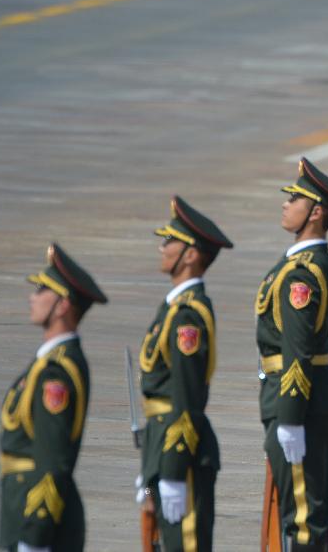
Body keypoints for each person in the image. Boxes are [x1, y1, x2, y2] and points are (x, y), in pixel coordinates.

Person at [256, 158, 328, 551]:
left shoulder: (302, 273)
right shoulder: (304, 263)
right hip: (306, 396)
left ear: (315, 212)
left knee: (303, 513)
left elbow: (298, 348)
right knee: (303, 507)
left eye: (294, 199)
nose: (286, 204)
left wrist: (290, 417)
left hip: (300, 401)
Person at [137, 195, 232, 552]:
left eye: (170, 242)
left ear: (190, 254)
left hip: (181, 457)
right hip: (160, 450)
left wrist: (173, 472)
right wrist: (150, 472)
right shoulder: (173, 309)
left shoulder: (188, 316)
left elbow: (187, 397)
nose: (162, 248)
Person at [0, 243, 107, 551]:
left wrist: (35, 536)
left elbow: (52, 460)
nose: (32, 297)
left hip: (41, 522)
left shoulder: (56, 373)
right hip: (22, 512)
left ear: (62, 305)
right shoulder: (48, 364)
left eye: (41, 290)